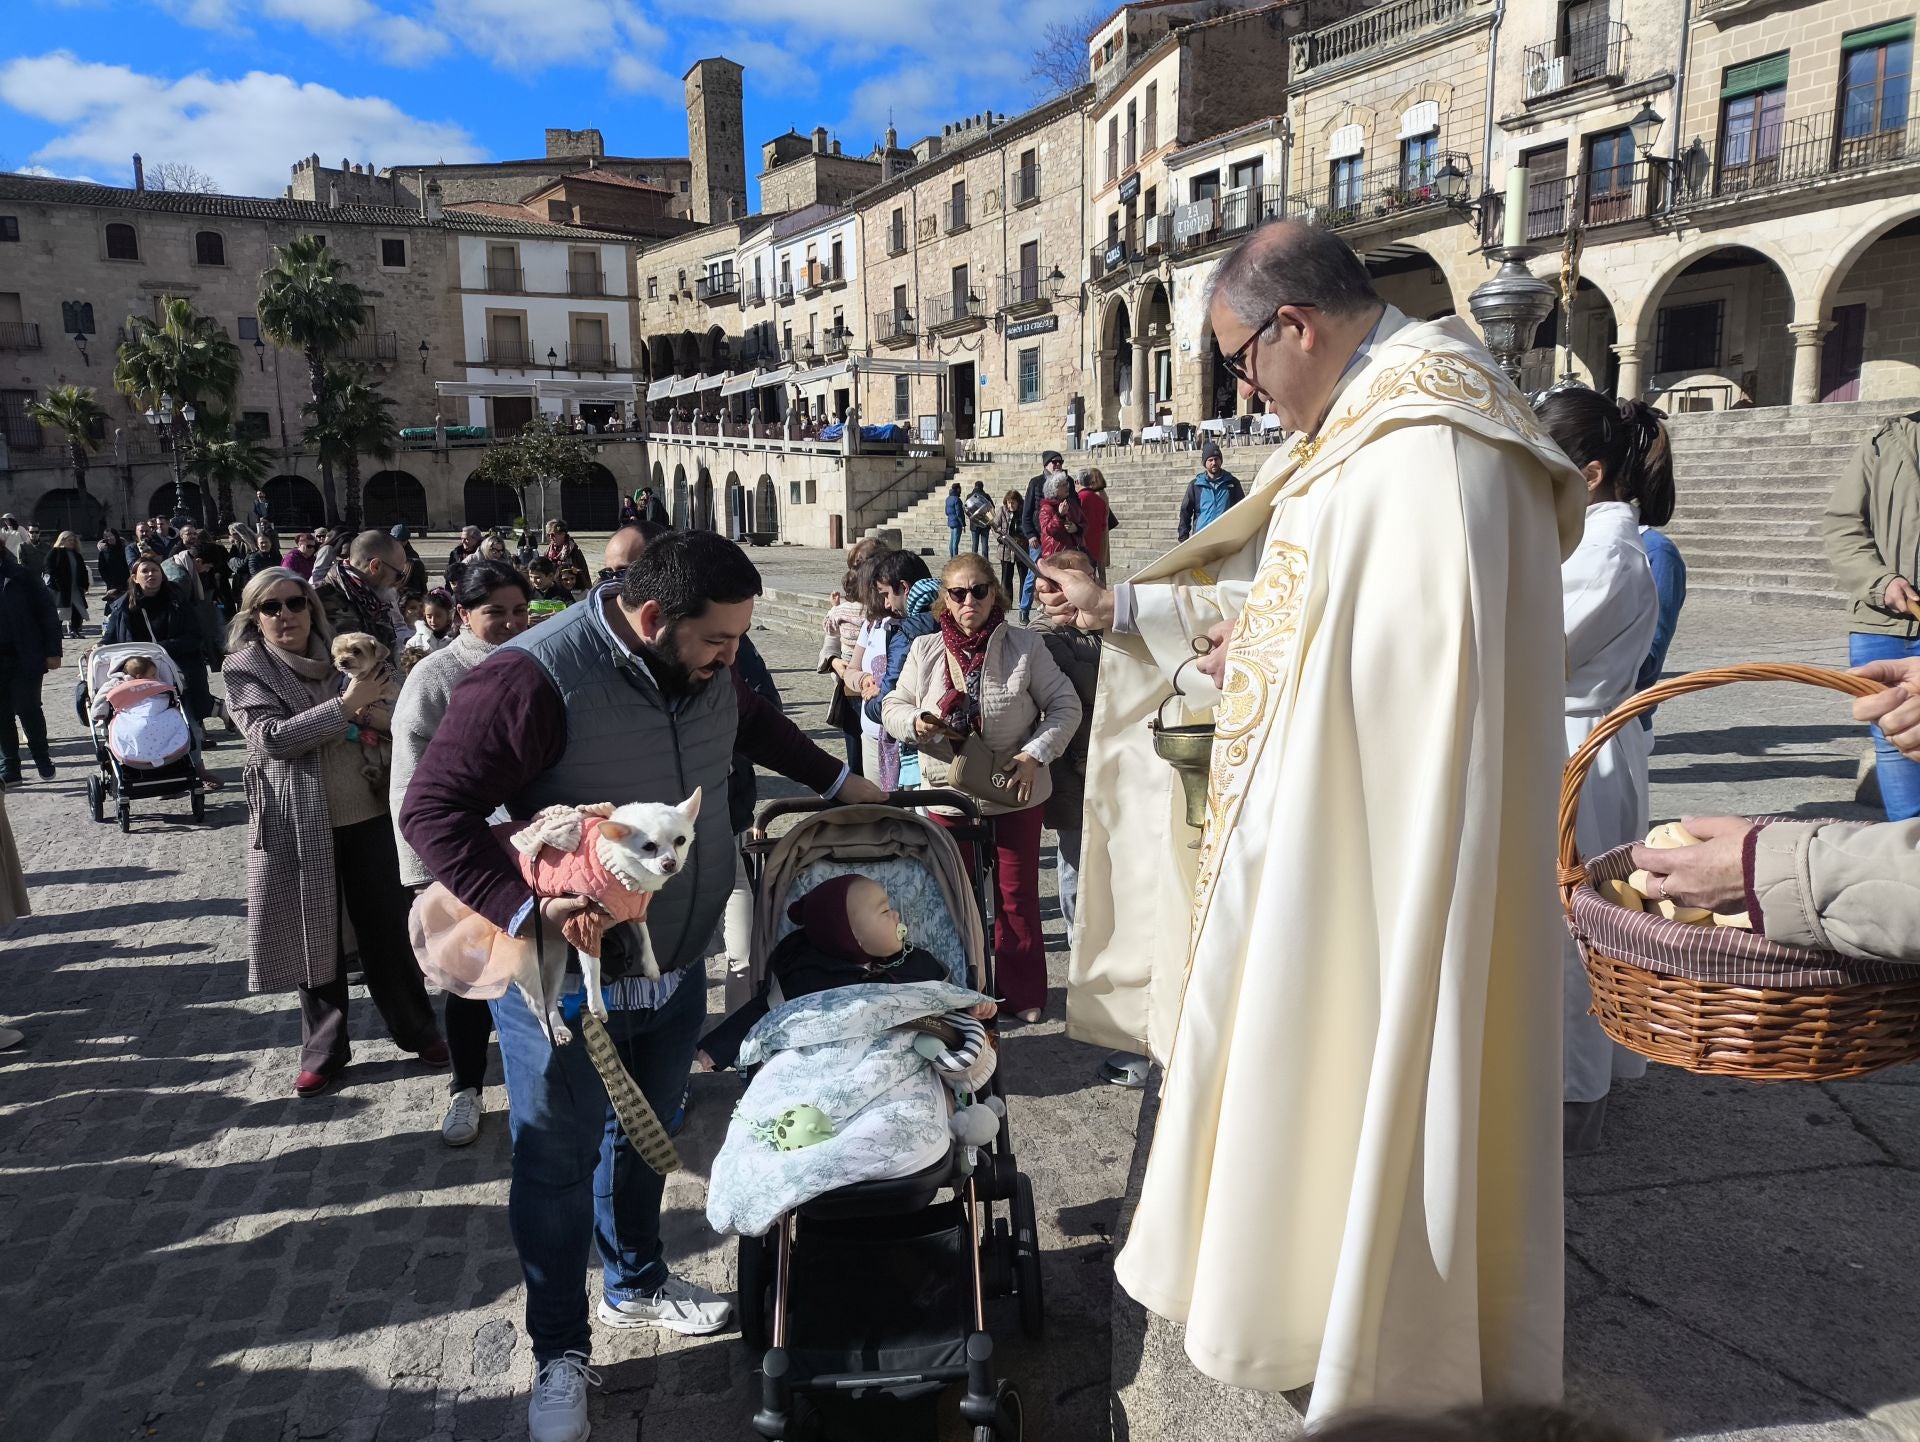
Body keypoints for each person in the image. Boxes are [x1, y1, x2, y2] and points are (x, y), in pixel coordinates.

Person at [1036, 220, 1584, 1415]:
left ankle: (1378, 1330)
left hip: (1377, 849)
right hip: (1317, 811)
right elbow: (1303, 604)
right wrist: (1187, 628)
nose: (1245, 390)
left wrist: (1264, 665)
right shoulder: (1365, 427)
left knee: (1366, 1049)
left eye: (1241, 360)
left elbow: (1418, 679)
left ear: (1295, 326)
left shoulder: (1434, 438)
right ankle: (1297, 1289)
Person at [399, 532, 885, 1440]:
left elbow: (754, 721)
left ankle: (634, 1283)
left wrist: (845, 784)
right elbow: (430, 810)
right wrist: (528, 910)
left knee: (646, 1135)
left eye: (739, 640)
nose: (732, 659)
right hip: (564, 980)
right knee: (555, 1164)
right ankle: (558, 1351)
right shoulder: (530, 679)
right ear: (655, 616)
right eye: (719, 641)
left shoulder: (706, 667)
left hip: (675, 962)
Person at [224, 566, 447, 1097]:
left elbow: (392, 716)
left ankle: (418, 1030)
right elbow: (271, 738)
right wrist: (347, 707)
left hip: (368, 810)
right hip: (300, 819)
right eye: (271, 607)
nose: (285, 615)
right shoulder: (246, 667)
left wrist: (374, 715)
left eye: (295, 602)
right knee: (315, 934)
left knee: (386, 929)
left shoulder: (342, 653)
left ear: (311, 607)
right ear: (254, 618)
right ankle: (324, 1050)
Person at [1536, 385, 1670, 1152]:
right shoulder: (1585, 543)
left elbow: (1534, 648)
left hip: (1578, 750)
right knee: (1572, 922)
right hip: (1574, 742)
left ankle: (1572, 1100)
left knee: (1574, 932)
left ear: (1588, 476)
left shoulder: (1606, 554)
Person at [883, 552, 1081, 1022]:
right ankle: (961, 994)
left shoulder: (1025, 645)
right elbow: (893, 705)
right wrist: (916, 722)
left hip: (1014, 791)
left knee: (1017, 897)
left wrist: (1034, 754)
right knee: (955, 899)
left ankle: (1024, 994)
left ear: (995, 593)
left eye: (978, 590)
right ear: (945, 600)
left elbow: (1065, 705)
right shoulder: (925, 649)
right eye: (958, 593)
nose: (968, 601)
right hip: (949, 795)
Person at [389, 559, 531, 1146]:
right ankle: (466, 1087)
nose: (511, 622)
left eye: (520, 610)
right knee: (469, 979)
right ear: (464, 614)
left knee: (534, 972)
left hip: (530, 847)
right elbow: (408, 775)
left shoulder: (538, 662)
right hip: (464, 855)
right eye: (495, 611)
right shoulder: (436, 675)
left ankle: (537, 1089)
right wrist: (423, 869)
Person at [1823, 413, 1920, 820]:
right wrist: (1880, 581)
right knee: (1893, 738)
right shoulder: (1888, 440)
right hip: (1881, 625)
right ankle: (1906, 843)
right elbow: (1843, 525)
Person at [103, 557, 216, 746]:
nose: (151, 574)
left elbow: (195, 636)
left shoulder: (177, 601)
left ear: (162, 575)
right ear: (135, 577)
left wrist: (161, 649)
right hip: (140, 671)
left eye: (155, 570)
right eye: (145, 571)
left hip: (179, 664)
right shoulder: (123, 608)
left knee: (190, 710)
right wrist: (98, 646)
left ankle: (194, 746)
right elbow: (110, 636)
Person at [821, 538, 885, 776]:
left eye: (859, 567)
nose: (855, 575)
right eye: (853, 568)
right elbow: (831, 641)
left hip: (880, 698)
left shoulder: (888, 608)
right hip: (850, 690)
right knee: (856, 755)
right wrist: (834, 661)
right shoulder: (858, 611)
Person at [0, 538, 61, 784]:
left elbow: (47, 613)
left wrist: (53, 651)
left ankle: (42, 758)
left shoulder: (21, 576)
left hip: (24, 656)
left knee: (28, 708)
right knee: (1, 714)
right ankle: (10, 766)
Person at [315, 530, 411, 652]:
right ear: (375, 566)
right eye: (399, 575)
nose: (399, 583)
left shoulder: (375, 598)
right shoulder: (315, 599)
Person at [1018, 452, 1069, 620]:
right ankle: (1024, 609)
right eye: (1054, 462)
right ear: (1046, 464)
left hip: (1059, 538)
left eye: (1060, 462)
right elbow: (1026, 512)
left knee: (1058, 574)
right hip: (1039, 538)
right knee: (1033, 573)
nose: (1058, 464)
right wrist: (1030, 535)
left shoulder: (1066, 481)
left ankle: (1057, 609)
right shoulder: (1036, 482)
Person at [1176, 441, 1245, 542]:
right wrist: (1183, 536)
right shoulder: (1195, 485)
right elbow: (1185, 511)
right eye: (1210, 460)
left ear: (1221, 460)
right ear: (1205, 462)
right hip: (1201, 538)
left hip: (1225, 539)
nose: (1214, 463)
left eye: (1216, 459)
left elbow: (1242, 509)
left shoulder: (1232, 483)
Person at [401, 587, 460, 670]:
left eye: (438, 616)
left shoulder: (458, 640)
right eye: (429, 616)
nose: (433, 620)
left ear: (450, 614)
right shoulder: (415, 642)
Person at [45, 532, 88, 639]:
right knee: (61, 610)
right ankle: (57, 631)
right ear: (62, 540)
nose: (72, 542)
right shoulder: (55, 552)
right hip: (61, 588)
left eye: (73, 540)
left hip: (75, 588)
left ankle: (74, 630)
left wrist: (84, 584)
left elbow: (83, 570)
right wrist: (58, 582)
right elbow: (49, 568)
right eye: (70, 540)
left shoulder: (76, 554)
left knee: (77, 610)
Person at [1077, 470, 1113, 581]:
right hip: (1097, 537)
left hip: (1085, 539)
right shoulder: (1099, 498)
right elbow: (1103, 521)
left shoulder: (1080, 497)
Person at [1038, 472, 1084, 559]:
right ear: (1054, 489)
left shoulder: (1071, 504)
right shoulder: (1046, 508)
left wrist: (1077, 528)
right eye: (1063, 485)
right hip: (1054, 555)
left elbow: (1084, 522)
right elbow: (1048, 530)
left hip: (1072, 553)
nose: (1067, 487)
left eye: (1066, 484)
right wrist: (1059, 515)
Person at [992, 489, 1024, 599]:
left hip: (1021, 549)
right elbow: (994, 526)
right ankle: (1007, 602)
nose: (1010, 505)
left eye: (1013, 503)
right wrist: (1000, 537)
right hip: (1005, 550)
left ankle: (1023, 603)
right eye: (1009, 503)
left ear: (1018, 502)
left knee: (1024, 577)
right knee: (1006, 579)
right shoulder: (1002, 510)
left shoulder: (1023, 511)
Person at [98, 529, 131, 608]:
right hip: (112, 584)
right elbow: (102, 568)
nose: (109, 538)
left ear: (116, 535)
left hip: (126, 582)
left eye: (111, 535)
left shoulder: (125, 549)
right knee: (113, 606)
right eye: (106, 536)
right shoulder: (104, 551)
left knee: (127, 604)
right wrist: (108, 581)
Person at [964, 479, 993, 556]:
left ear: (975, 486)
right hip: (985, 523)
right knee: (985, 544)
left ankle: (974, 560)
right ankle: (985, 560)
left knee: (975, 545)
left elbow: (966, 510)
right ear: (982, 487)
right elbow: (992, 507)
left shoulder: (969, 496)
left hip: (974, 524)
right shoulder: (986, 496)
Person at [944, 482, 966, 558]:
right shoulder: (957, 499)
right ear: (958, 489)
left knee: (952, 541)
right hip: (957, 523)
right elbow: (959, 513)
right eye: (960, 488)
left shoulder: (948, 499)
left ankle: (951, 557)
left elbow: (946, 512)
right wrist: (963, 524)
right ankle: (955, 558)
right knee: (955, 543)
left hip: (951, 522)